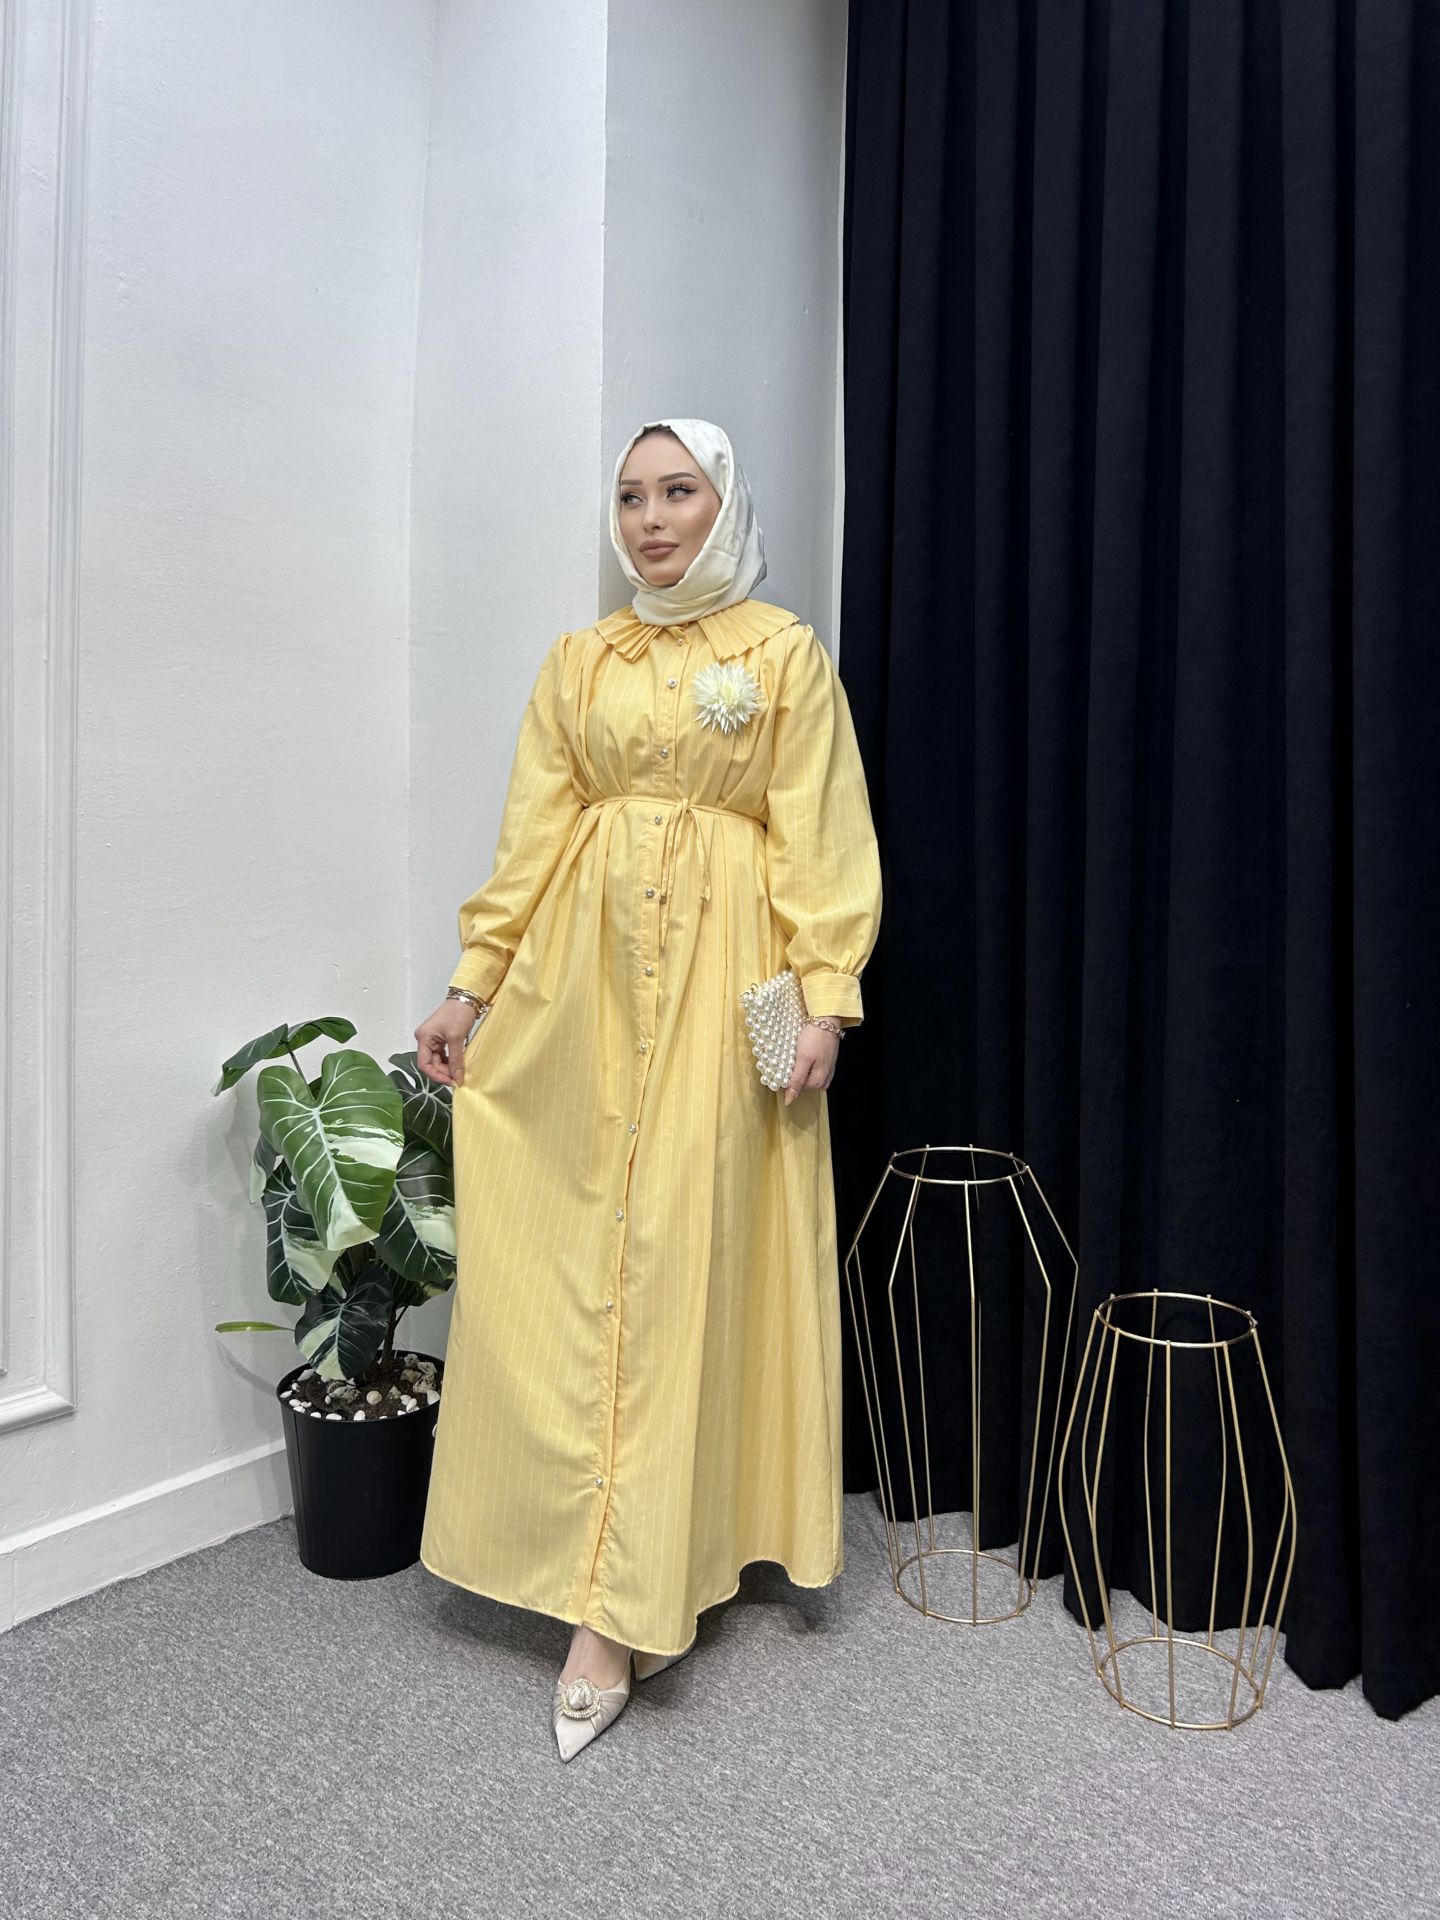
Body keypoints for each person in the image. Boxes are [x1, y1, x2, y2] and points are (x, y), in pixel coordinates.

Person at [414, 416, 883, 1761]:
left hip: (727, 983)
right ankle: (569, 1558)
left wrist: (826, 996)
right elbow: (532, 831)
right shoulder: (582, 661)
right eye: (630, 497)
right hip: (582, 984)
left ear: (723, 505)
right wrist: (473, 984)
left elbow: (819, 833)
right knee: (567, 1253)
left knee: (683, 1259)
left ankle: (631, 1596)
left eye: (679, 492)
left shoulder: (783, 655)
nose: (653, 518)